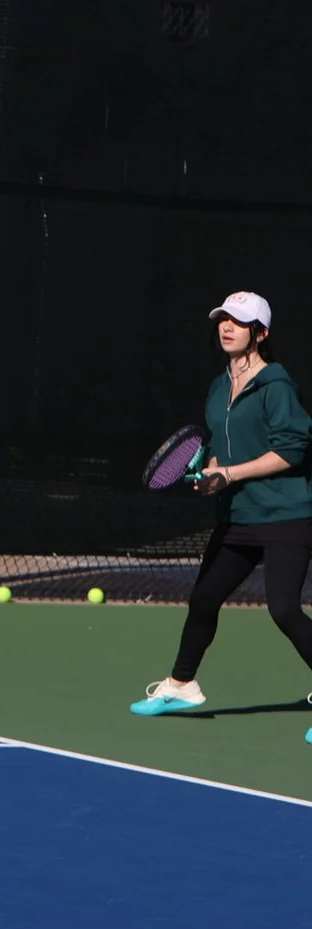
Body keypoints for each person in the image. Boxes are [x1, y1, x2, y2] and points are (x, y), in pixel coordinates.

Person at [130, 293, 312, 722]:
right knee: (205, 598)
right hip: (238, 517)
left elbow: (291, 452)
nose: (227, 327)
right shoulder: (218, 386)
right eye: (223, 319)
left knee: (284, 610)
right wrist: (214, 473)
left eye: (239, 322)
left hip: (286, 515)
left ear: (261, 334)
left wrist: (231, 474)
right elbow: (217, 447)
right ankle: (181, 685)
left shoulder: (276, 386)